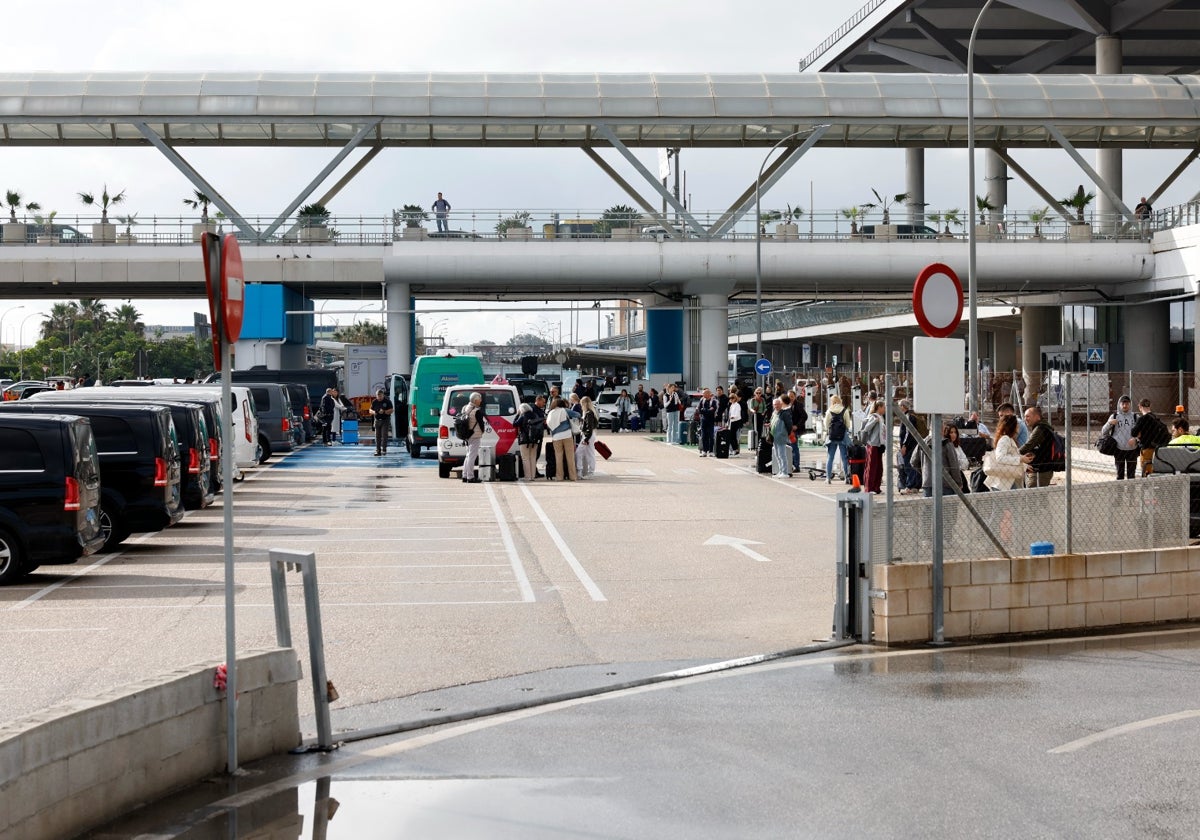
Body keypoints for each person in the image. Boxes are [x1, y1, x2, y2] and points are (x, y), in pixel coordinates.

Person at [911, 421, 969, 496]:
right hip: (946, 484)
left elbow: (913, 462)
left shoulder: (922, 442)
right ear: (942, 429)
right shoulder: (946, 443)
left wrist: (925, 471)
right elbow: (954, 465)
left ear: (930, 428)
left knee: (929, 507)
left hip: (928, 483)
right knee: (948, 507)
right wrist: (959, 483)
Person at [1100, 395, 1139, 479]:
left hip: (1132, 450)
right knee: (1119, 475)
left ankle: (1130, 492)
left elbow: (1143, 432)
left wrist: (1136, 439)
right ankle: (1119, 492)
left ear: (1130, 405)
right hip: (1119, 449)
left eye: (1127, 404)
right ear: (1119, 404)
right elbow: (1103, 432)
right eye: (1123, 403)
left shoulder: (1135, 417)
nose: (1125, 406)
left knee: (1131, 475)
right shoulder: (1114, 416)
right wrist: (1109, 424)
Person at [1129, 398, 1170, 477]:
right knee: (1155, 471)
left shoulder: (1142, 419)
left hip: (1146, 448)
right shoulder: (1156, 418)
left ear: (1140, 407)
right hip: (1157, 449)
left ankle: (1146, 487)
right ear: (1150, 406)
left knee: (1146, 471)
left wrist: (1139, 434)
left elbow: (1133, 433)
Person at [983, 414, 1025, 490]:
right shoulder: (1005, 439)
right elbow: (1000, 458)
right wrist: (1020, 459)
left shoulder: (1009, 439)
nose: (1018, 426)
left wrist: (1025, 465)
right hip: (1003, 483)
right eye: (1017, 424)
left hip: (1008, 480)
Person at [1019, 405, 1056, 488]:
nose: (1025, 419)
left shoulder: (1040, 429)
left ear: (1037, 417)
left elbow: (1028, 445)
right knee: (1040, 496)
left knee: (1033, 495)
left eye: (1028, 416)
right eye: (1025, 417)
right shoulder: (1043, 427)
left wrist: (1014, 454)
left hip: (1040, 470)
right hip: (1044, 468)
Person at [897, 399, 927, 494]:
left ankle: (911, 486)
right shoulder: (911, 416)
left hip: (910, 446)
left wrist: (904, 445)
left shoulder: (908, 417)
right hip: (913, 444)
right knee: (913, 464)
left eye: (900, 406)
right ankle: (915, 485)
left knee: (908, 465)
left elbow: (908, 433)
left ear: (903, 407)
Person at [545, 397, 578, 481]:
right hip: (567, 435)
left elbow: (548, 424)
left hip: (556, 437)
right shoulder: (564, 410)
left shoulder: (550, 413)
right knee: (570, 457)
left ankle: (559, 476)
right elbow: (578, 414)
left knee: (558, 457)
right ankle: (572, 476)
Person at [460, 392, 488, 483]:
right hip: (475, 435)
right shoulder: (477, 410)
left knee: (468, 456)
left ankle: (464, 475)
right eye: (480, 399)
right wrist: (482, 431)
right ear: (476, 400)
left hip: (467, 435)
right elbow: (481, 424)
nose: (481, 401)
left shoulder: (465, 408)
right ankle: (470, 477)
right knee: (472, 456)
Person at [823, 395, 852, 485]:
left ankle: (828, 478)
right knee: (844, 457)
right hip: (842, 436)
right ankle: (846, 477)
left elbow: (826, 424)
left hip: (832, 436)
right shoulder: (845, 410)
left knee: (830, 457)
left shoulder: (829, 411)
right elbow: (848, 425)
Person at [860, 399, 886, 494]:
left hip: (879, 444)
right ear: (879, 407)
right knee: (871, 467)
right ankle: (869, 488)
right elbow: (866, 428)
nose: (885, 409)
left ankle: (876, 487)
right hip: (873, 444)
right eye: (883, 407)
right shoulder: (874, 417)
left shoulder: (881, 417)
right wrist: (875, 421)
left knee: (879, 467)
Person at [512, 401, 543, 481]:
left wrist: (517, 414)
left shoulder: (522, 416)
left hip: (524, 440)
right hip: (535, 440)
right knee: (533, 458)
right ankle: (533, 476)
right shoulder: (535, 415)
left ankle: (527, 476)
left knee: (525, 458)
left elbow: (514, 424)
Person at [575, 395, 599, 478]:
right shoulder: (591, 412)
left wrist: (586, 438)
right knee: (589, 453)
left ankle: (581, 471)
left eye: (582, 404)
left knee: (580, 453)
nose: (581, 406)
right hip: (590, 435)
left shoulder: (588, 413)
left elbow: (589, 427)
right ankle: (589, 472)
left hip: (587, 435)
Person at [769, 396, 793, 477]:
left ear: (781, 404)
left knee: (782, 455)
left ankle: (785, 472)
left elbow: (789, 425)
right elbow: (772, 423)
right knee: (777, 455)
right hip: (774, 437)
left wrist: (785, 433)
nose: (776, 406)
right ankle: (780, 470)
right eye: (775, 404)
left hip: (781, 436)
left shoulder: (785, 414)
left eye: (778, 404)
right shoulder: (774, 413)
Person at [369, 388, 394, 456]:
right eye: (378, 396)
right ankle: (378, 450)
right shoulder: (374, 401)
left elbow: (391, 410)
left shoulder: (387, 401)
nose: (379, 397)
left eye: (380, 396)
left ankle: (384, 449)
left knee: (384, 435)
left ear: (383, 395)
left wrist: (384, 412)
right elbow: (370, 410)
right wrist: (374, 412)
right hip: (377, 420)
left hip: (385, 420)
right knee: (377, 436)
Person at [695, 388, 718, 457]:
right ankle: (704, 451)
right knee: (703, 436)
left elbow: (712, 411)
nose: (702, 394)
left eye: (704, 393)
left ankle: (711, 451)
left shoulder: (713, 401)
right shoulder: (702, 400)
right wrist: (706, 410)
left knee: (711, 436)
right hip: (703, 420)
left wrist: (704, 410)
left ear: (708, 394)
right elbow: (699, 410)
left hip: (711, 421)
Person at [726, 392, 744, 456]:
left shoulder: (737, 405)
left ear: (735, 398)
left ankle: (736, 450)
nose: (731, 399)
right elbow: (729, 414)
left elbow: (737, 414)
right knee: (732, 437)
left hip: (736, 421)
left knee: (732, 436)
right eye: (730, 398)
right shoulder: (731, 405)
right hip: (732, 422)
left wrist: (733, 416)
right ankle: (735, 450)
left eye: (732, 398)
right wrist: (728, 421)